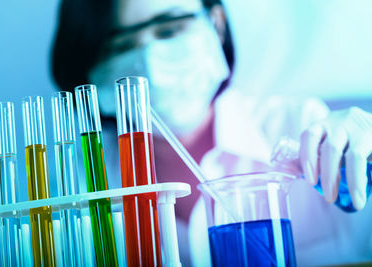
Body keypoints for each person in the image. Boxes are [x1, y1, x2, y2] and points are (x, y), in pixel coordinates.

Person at [51, 0, 372, 265]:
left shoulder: (303, 129)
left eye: (170, 28)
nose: (150, 62)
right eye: (119, 45)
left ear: (216, 23)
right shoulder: (79, 182)